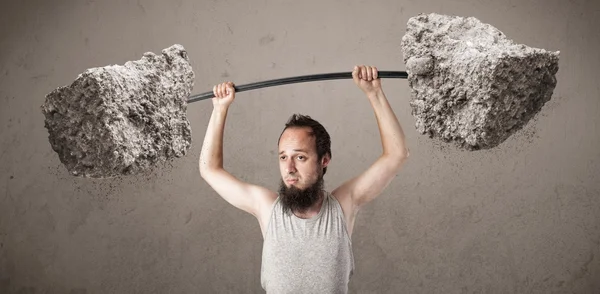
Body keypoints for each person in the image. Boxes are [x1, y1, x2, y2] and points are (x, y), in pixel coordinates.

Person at [199, 65, 409, 293]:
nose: (289, 168)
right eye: (283, 157)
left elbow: (396, 155)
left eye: (300, 157)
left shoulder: (343, 205)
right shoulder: (267, 208)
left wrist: (374, 93)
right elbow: (209, 169)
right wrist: (220, 109)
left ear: (324, 160)